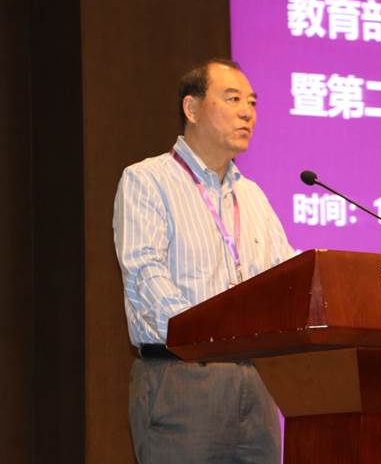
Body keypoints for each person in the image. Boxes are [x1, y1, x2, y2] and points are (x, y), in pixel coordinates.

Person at [113, 59, 294, 463]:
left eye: (252, 102)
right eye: (232, 99)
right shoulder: (147, 180)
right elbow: (145, 273)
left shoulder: (252, 196)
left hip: (255, 381)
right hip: (182, 379)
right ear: (192, 109)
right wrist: (211, 332)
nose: (247, 112)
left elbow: (286, 277)